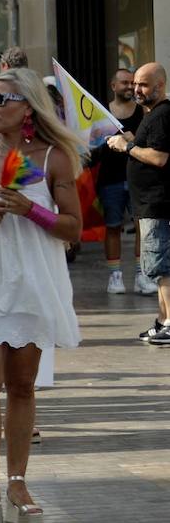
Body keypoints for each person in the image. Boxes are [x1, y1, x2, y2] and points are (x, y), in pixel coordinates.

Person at [0, 67, 81, 523]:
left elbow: (72, 227)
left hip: (33, 277)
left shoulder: (54, 158)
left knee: (22, 384)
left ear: (28, 107)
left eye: (4, 99)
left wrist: (32, 209)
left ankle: (18, 483)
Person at [106, 64, 170, 344]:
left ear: (160, 86)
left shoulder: (163, 114)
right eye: (135, 84)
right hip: (148, 205)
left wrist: (128, 147)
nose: (136, 90)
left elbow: (159, 158)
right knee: (157, 268)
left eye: (143, 85)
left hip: (158, 204)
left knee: (163, 267)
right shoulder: (152, 115)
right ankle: (161, 320)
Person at [92, 68, 150, 295]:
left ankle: (141, 275)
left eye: (132, 82)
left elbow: (148, 143)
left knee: (141, 227)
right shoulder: (101, 113)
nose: (129, 86)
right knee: (113, 227)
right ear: (113, 86)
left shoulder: (143, 111)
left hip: (137, 178)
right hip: (110, 180)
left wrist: (132, 140)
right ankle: (115, 277)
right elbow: (92, 143)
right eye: (124, 82)